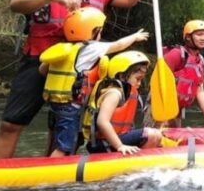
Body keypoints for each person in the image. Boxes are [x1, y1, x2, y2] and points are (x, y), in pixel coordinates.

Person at [0, 0, 160, 158]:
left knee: (62, 129)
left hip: (79, 67)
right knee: (12, 123)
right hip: (39, 58)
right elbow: (16, 3)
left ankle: (49, 177)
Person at [39, 8, 149, 156]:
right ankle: (50, 175)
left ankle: (48, 166)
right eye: (100, 30)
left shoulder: (63, 49)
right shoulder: (91, 48)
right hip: (71, 106)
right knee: (65, 145)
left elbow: (42, 70)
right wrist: (135, 37)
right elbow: (118, 45)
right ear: (94, 31)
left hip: (55, 104)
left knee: (62, 141)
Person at [83, 51, 162, 155]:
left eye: (141, 79)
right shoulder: (114, 93)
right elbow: (102, 122)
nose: (139, 83)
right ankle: (138, 164)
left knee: (156, 134)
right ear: (122, 75)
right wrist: (120, 146)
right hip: (102, 143)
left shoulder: (128, 93)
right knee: (153, 135)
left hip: (118, 137)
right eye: (137, 79)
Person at [159, 20, 204, 128]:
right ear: (188, 37)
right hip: (162, 107)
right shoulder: (176, 54)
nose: (203, 38)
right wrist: (163, 115)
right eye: (199, 34)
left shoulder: (200, 60)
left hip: (177, 109)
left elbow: (199, 91)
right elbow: (159, 81)